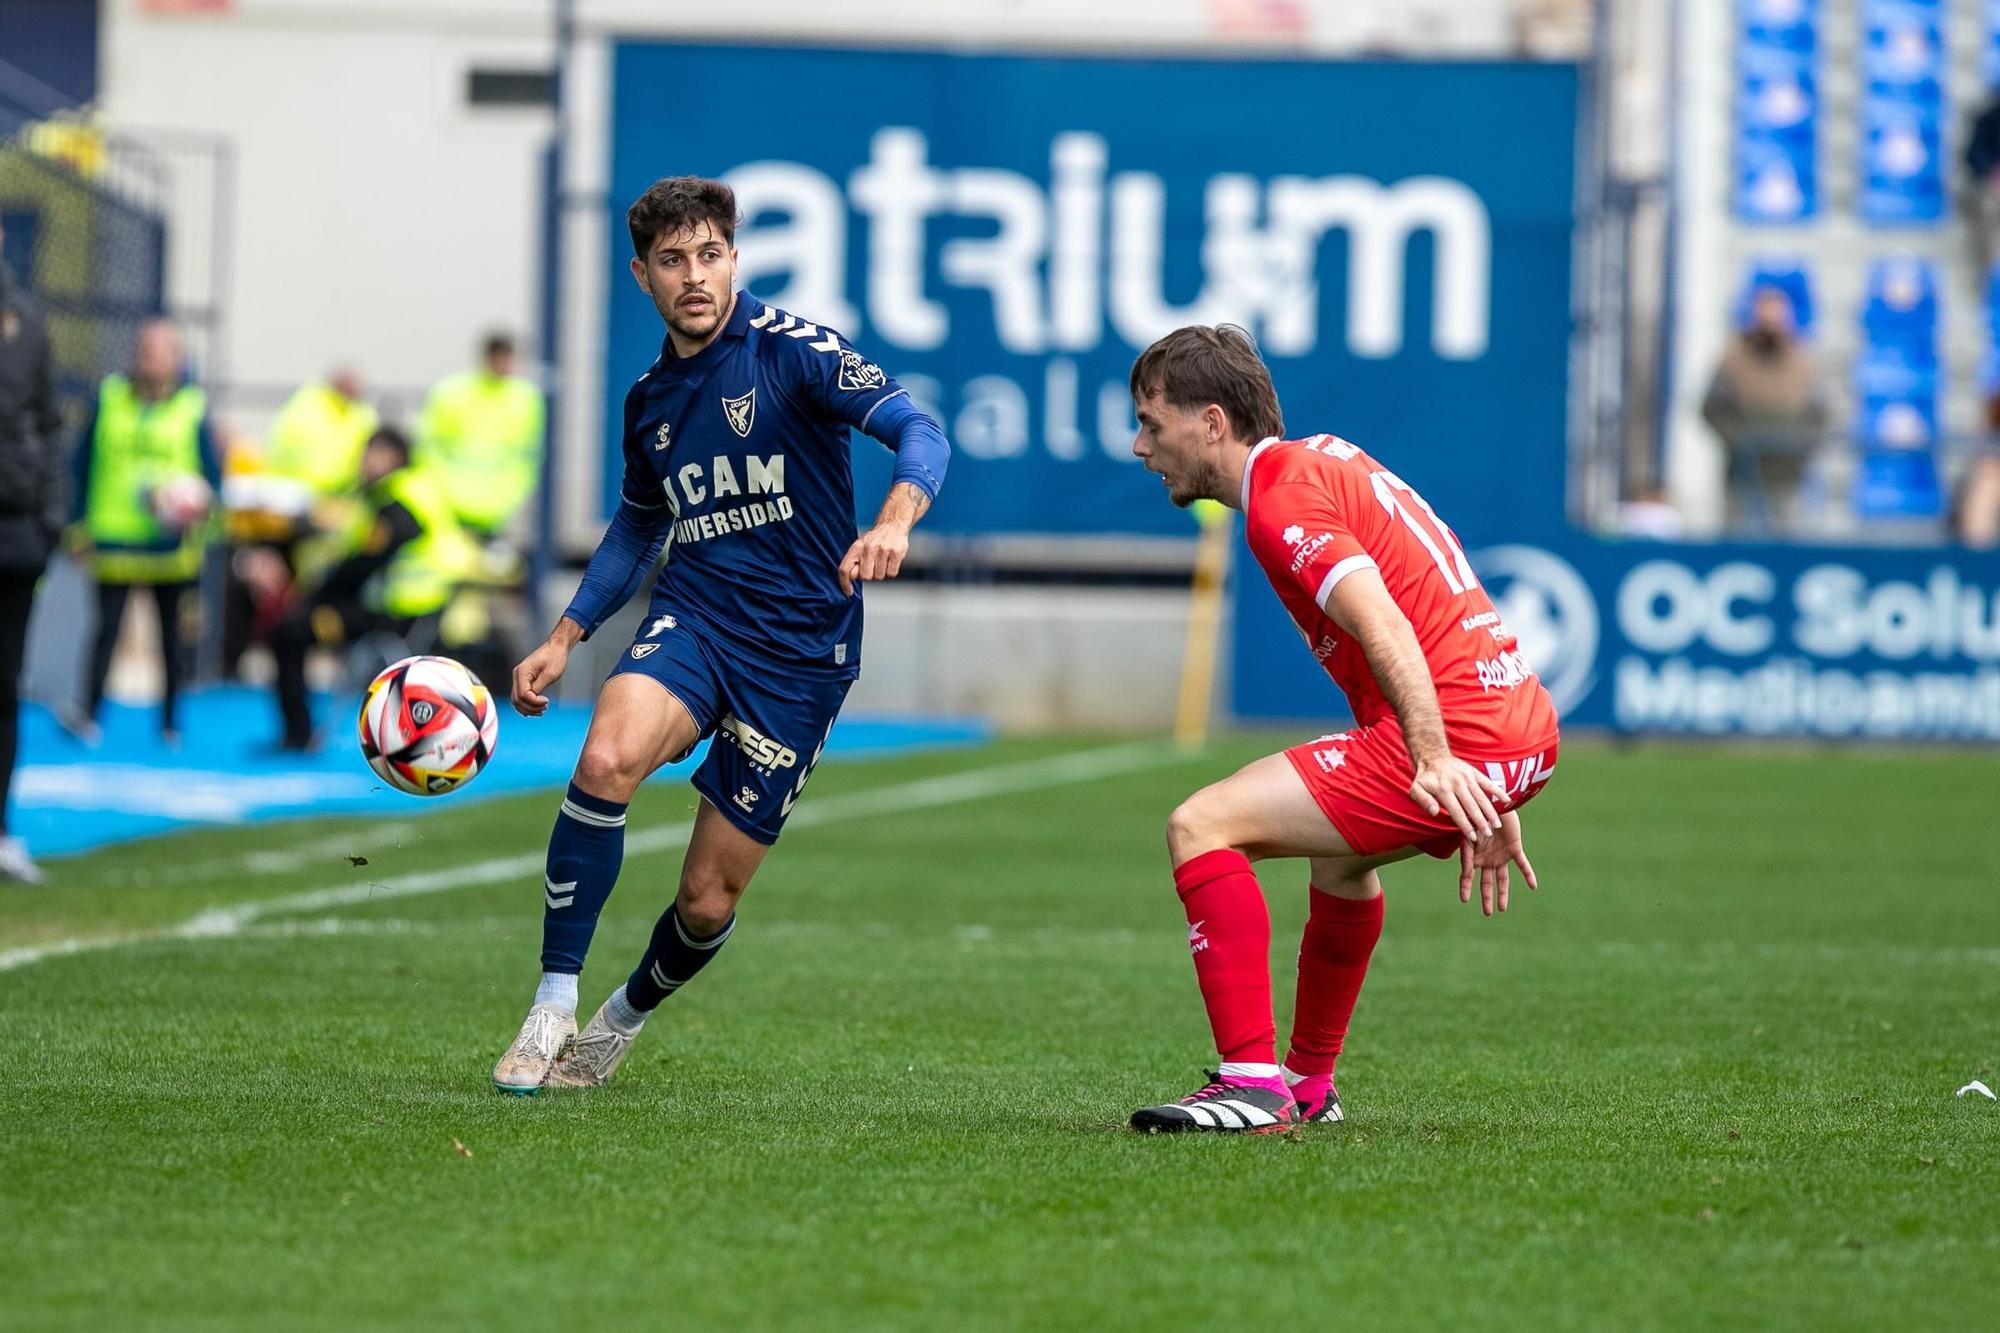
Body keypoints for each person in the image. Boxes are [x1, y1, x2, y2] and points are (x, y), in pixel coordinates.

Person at [490, 175, 951, 1095]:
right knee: (605, 758)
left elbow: (919, 429)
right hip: (696, 616)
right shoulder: (650, 400)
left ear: (735, 258)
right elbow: (636, 526)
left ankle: (621, 1018)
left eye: (709, 255)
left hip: (801, 655)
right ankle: (550, 1002)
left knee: (706, 901)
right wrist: (567, 634)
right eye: (673, 261)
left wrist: (896, 518)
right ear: (642, 275)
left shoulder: (795, 353)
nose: (694, 276)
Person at [1123, 325, 1559, 1134]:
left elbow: (1386, 622)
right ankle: (1309, 1083)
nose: (1140, 445)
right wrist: (1496, 774)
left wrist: (1440, 756)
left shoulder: (1280, 501)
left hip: (1465, 737)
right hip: (1516, 725)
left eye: (1152, 423)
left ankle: (1251, 1083)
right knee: (1343, 860)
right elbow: (1442, 593)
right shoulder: (1326, 458)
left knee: (1201, 825)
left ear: (1212, 423)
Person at [266, 425, 478, 751]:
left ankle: (298, 735)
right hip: (393, 609)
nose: (364, 462)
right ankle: (298, 732)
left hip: (399, 617)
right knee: (292, 626)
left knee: (291, 631)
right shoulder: (399, 493)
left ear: (394, 458)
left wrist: (316, 595)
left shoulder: (400, 500)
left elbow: (367, 560)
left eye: (373, 454)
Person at [67, 319, 221, 748]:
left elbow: (212, 476)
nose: (147, 358)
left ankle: (171, 722)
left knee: (171, 637)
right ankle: (87, 714)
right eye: (143, 349)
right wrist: (75, 525)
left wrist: (197, 506)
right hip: (114, 541)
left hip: (169, 547)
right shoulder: (109, 398)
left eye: (158, 350)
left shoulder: (192, 407)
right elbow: (80, 463)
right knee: (104, 632)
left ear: (177, 358)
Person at [0, 220, 64, 883]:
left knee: (3, 687)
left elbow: (49, 424)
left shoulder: (26, 321)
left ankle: (1, 830)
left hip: (15, 534)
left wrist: (48, 521)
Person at [1700, 286, 1826, 536]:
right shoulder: (1733, 361)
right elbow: (1711, 409)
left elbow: (1820, 415)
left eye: (1777, 314)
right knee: (1738, 535)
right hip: (1743, 471)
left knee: (1788, 537)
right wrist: (1740, 439)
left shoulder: (1804, 363)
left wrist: (1796, 442)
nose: (1770, 322)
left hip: (1788, 472)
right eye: (1764, 314)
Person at [415, 332, 545, 539]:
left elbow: (530, 454)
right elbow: (427, 447)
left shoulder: (525, 399)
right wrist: (440, 491)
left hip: (498, 509)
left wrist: (512, 496)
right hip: (450, 506)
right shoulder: (451, 393)